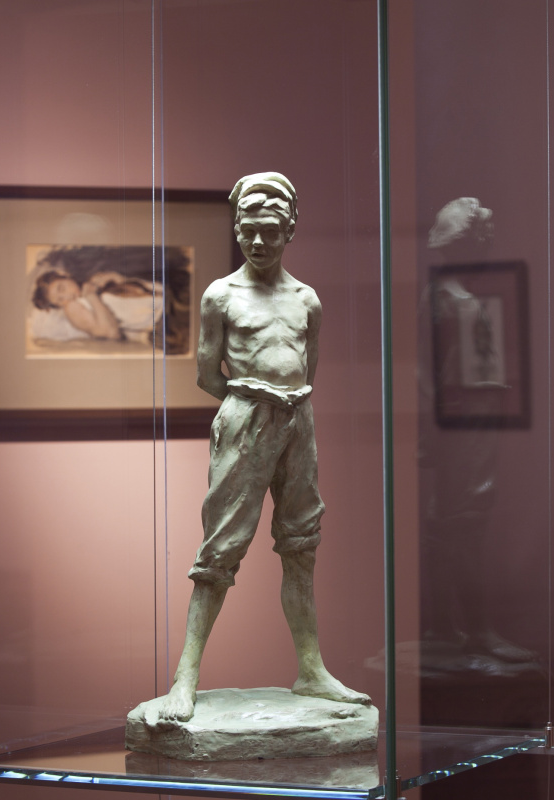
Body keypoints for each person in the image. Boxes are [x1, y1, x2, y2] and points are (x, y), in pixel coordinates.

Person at [156, 172, 370, 724]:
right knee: (220, 549)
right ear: (236, 229)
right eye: (248, 230)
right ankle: (185, 678)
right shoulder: (221, 295)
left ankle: (311, 669)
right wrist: (251, 405)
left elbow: (308, 367)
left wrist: (284, 408)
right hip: (246, 419)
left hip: (298, 420)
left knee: (301, 543)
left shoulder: (307, 300)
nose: (257, 242)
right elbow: (207, 373)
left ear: (290, 230)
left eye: (270, 231)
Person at [31, 269, 163, 345]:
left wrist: (117, 278)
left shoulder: (94, 281)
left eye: (62, 288)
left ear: (65, 276)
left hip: (163, 297)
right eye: (60, 300)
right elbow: (111, 333)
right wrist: (92, 296)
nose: (67, 296)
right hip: (161, 318)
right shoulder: (73, 306)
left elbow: (140, 291)